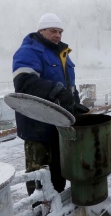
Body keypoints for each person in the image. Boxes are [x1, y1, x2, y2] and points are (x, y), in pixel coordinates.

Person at [12, 13, 88, 195]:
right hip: (37, 125)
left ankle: (59, 209)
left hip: (59, 125)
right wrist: (55, 91)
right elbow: (24, 83)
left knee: (58, 172)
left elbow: (69, 88)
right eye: (53, 31)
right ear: (41, 31)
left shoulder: (61, 55)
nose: (58, 35)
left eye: (60, 32)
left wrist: (75, 104)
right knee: (40, 175)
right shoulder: (29, 51)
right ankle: (41, 214)